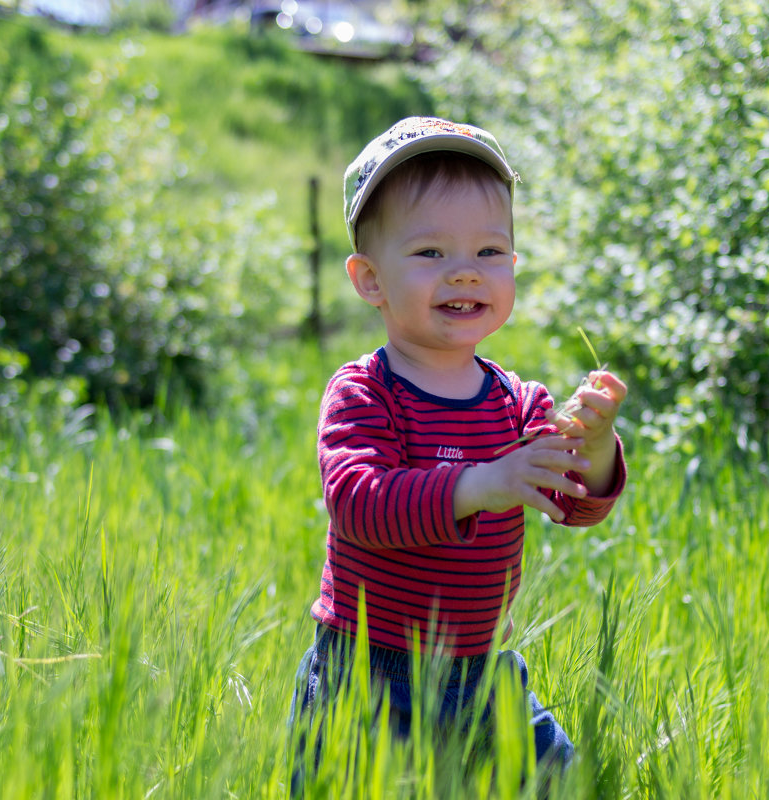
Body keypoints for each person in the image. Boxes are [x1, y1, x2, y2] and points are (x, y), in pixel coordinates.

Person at [289, 116, 628, 794]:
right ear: (369, 280)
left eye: (490, 251)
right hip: (368, 672)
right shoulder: (366, 391)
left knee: (565, 784)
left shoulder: (517, 402)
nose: (465, 271)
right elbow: (359, 503)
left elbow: (574, 505)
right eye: (431, 254)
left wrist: (592, 447)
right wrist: (482, 484)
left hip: (482, 674)